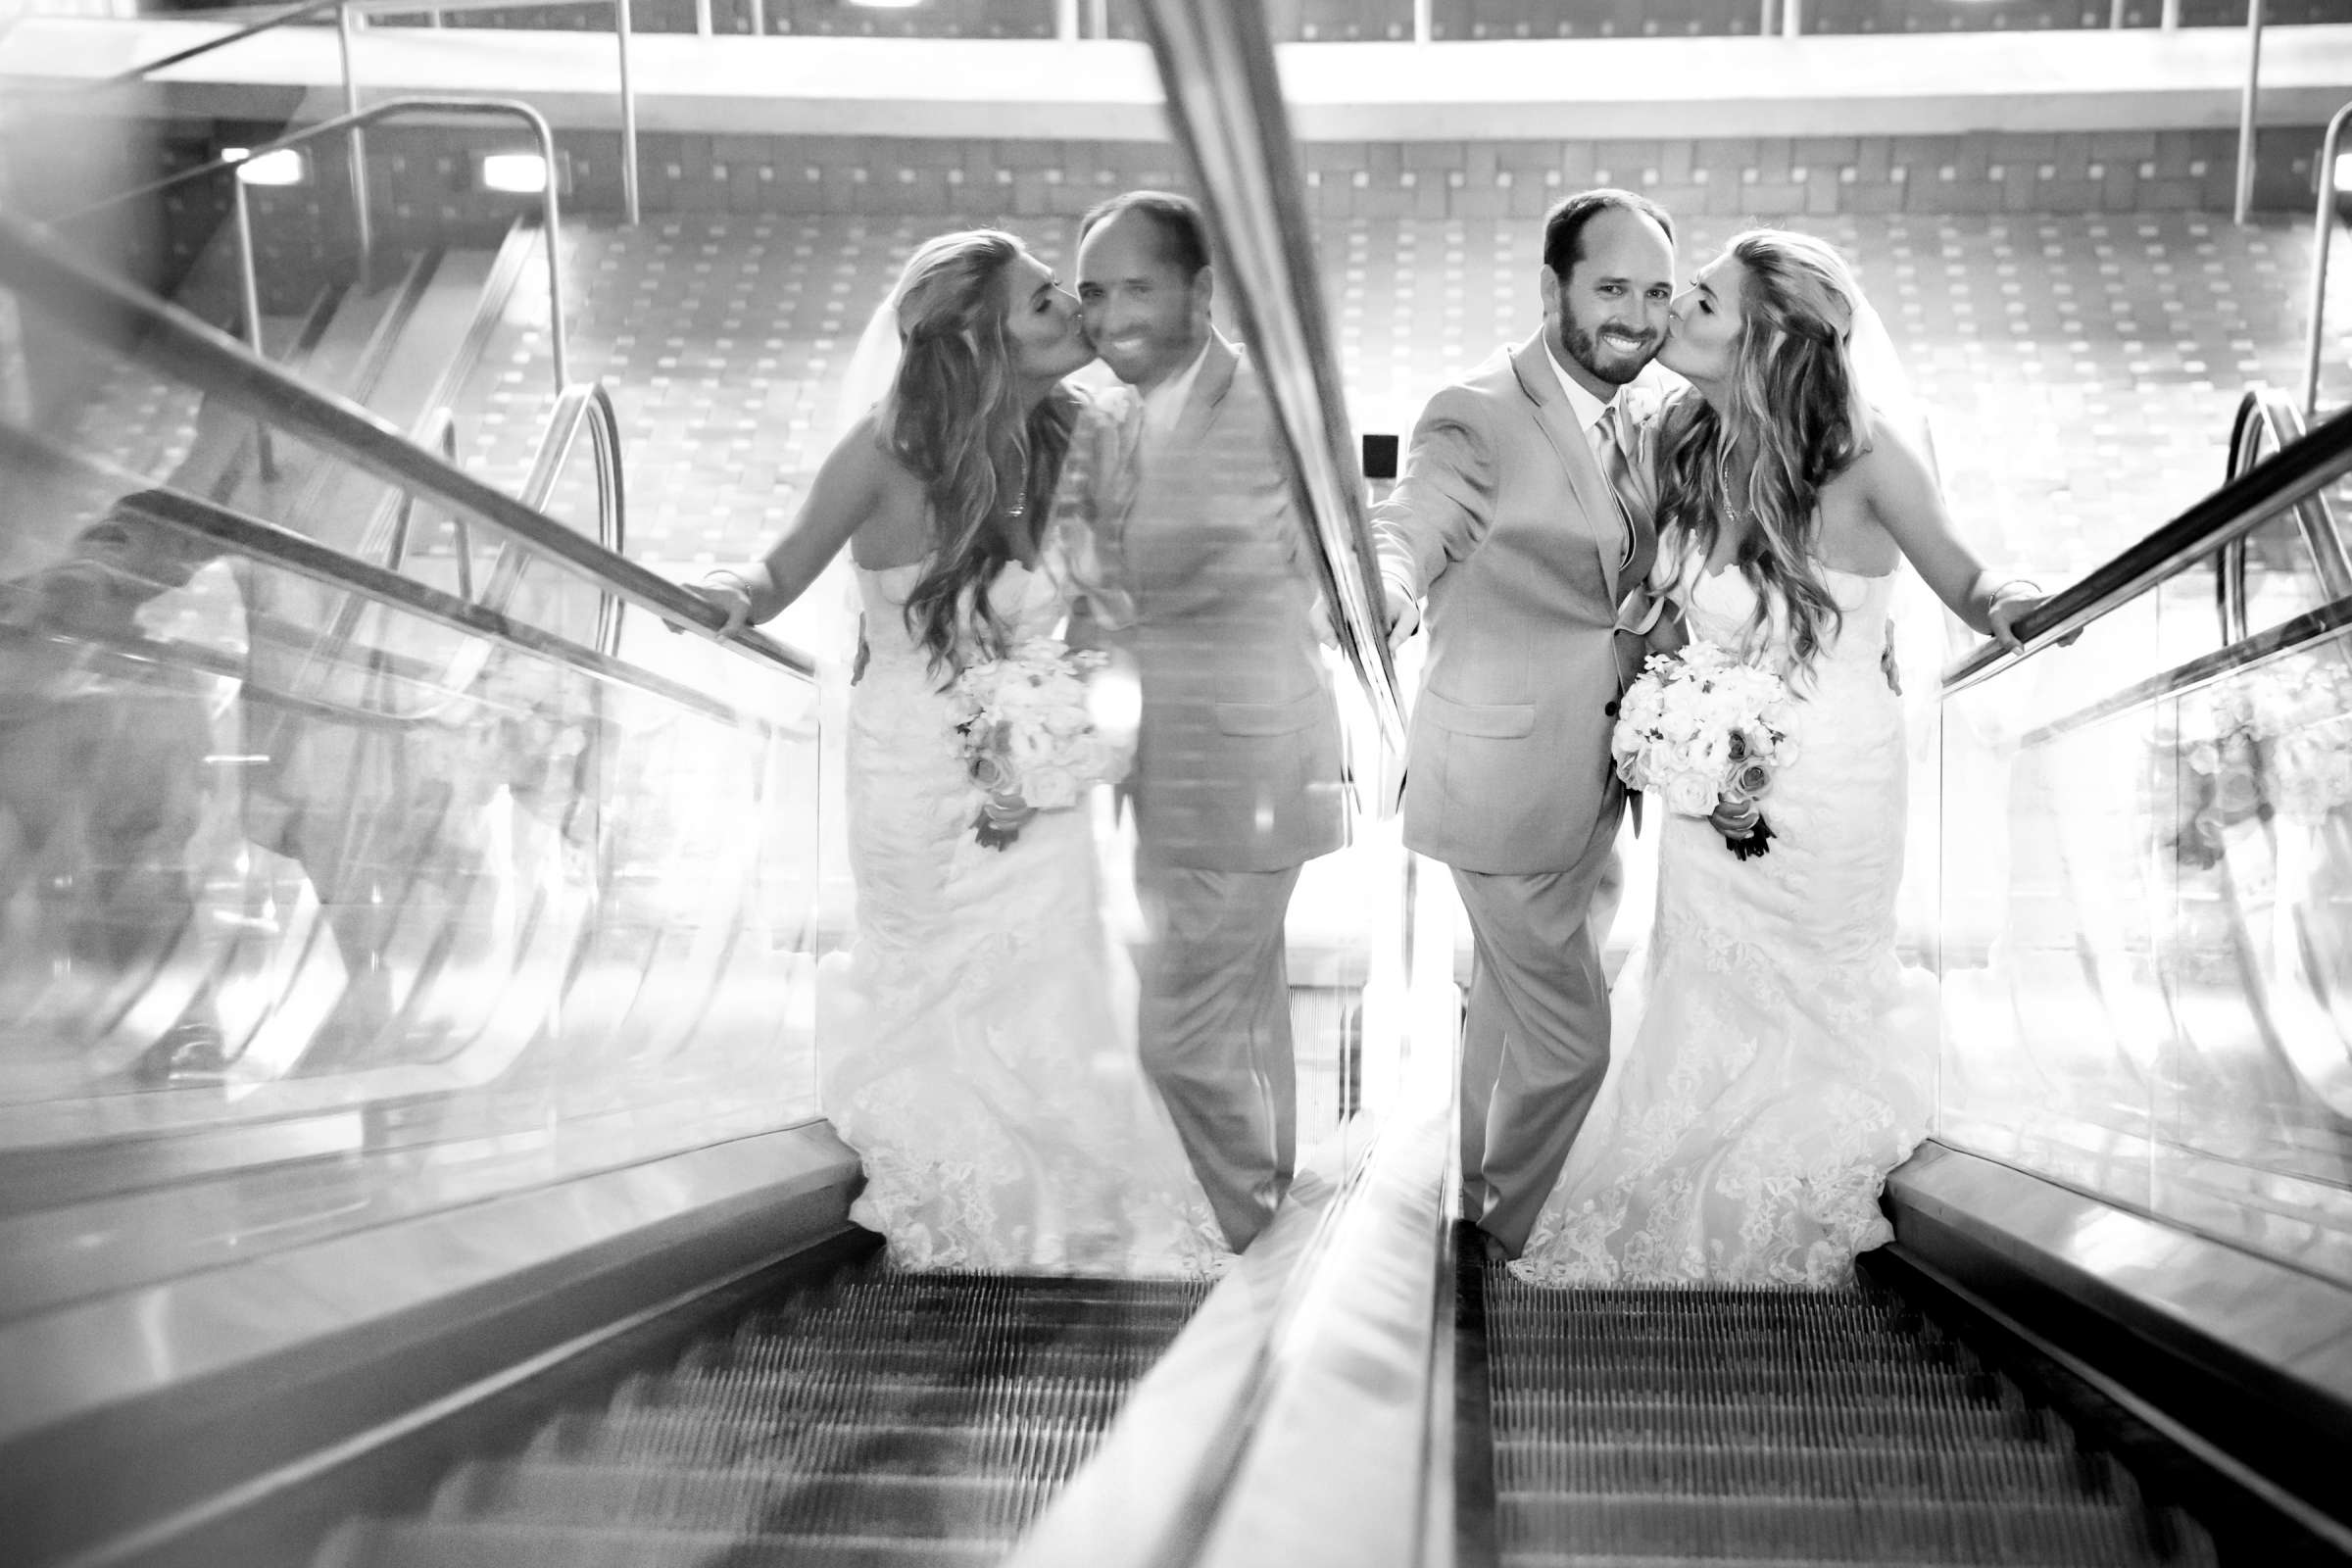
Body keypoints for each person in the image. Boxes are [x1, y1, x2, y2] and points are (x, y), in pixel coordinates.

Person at [1509, 228, 2044, 1289]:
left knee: (1818, 991)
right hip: (1715, 789)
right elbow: (1656, 612)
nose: (1671, 314)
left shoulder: (1868, 451)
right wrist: (1667, 723)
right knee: (1704, 988)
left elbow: (1969, 581)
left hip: (1837, 775)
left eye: (1700, 302)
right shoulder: (1691, 444)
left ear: (1767, 338)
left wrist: (2014, 599)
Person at [691, 228, 1224, 1276]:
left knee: (1054, 966)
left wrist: (1058, 731)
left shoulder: (1081, 438)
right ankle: (958, 1189)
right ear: (979, 344)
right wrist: (725, 595)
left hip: (1039, 764)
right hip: (912, 769)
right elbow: (775, 572)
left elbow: (1110, 616)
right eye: (1042, 303)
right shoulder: (885, 455)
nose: (1072, 307)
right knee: (935, 971)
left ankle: (1065, 1191)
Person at [1371, 188, 1677, 1262]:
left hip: (1601, 779)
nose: (1636, 315)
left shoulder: (1647, 414)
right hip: (1501, 782)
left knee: (1508, 1008)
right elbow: (1413, 526)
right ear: (1552, 288)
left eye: (1654, 291)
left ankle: (1473, 1201)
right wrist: (1386, 589)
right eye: (1610, 289)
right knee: (1570, 1040)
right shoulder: (1475, 412)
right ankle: (1500, 1238)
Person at [1072, 191, 1348, 1253]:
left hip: (1254, 764)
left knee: (1182, 1030)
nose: (1108, 314)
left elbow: (1336, 552)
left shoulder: (1274, 407)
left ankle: (1247, 1242)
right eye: (1094, 292)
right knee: (1240, 1009)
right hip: (1164, 771)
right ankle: (1263, 1212)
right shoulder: (1115, 417)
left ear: (1200, 289)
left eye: (1136, 286)